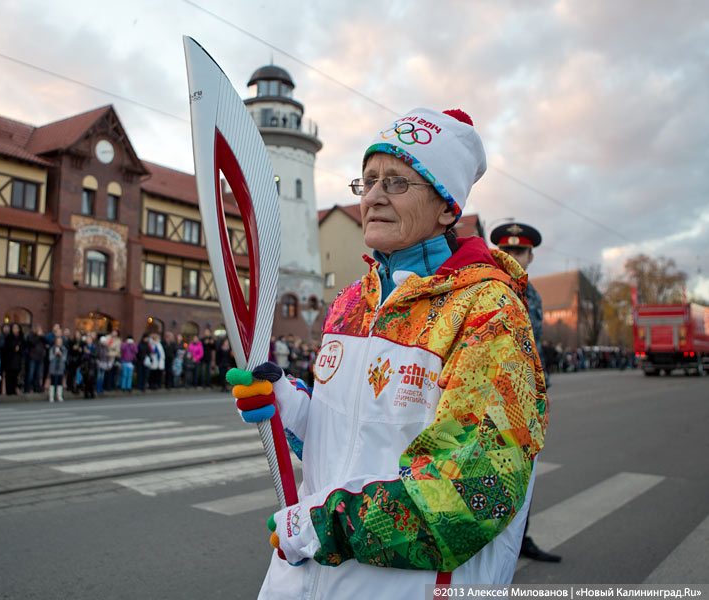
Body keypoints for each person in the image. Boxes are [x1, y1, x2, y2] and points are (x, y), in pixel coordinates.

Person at [227, 108, 548, 597]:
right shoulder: (352, 302)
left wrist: (326, 527)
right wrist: (287, 406)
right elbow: (345, 438)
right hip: (302, 580)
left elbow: (470, 495)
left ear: (446, 208)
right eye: (368, 181)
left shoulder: (487, 313)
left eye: (396, 182)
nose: (373, 196)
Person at [491, 221, 561, 563]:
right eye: (509, 250)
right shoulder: (487, 286)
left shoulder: (532, 294)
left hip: (527, 398)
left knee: (525, 473)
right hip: (491, 397)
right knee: (489, 475)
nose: (515, 256)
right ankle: (489, 548)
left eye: (520, 251)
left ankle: (521, 539)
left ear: (531, 256)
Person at [2, 323, 24, 396]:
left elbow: (24, 347)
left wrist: (19, 348)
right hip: (9, 359)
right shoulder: (9, 337)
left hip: (17, 359)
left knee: (15, 375)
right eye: (14, 328)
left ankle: (14, 389)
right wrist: (13, 348)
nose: (15, 330)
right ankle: (9, 390)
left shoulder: (21, 338)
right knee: (9, 375)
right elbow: (6, 348)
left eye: (17, 328)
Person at [24, 326, 46, 393]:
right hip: (32, 357)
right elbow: (32, 343)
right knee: (31, 374)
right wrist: (38, 336)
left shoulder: (41, 337)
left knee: (38, 375)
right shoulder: (31, 335)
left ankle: (36, 389)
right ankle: (27, 389)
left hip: (40, 357)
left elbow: (45, 342)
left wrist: (42, 336)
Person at [47, 335, 67, 403]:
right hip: (53, 367)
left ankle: (59, 396)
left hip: (60, 368)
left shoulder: (64, 349)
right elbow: (50, 358)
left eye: (60, 341)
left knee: (59, 382)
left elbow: (64, 359)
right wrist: (55, 354)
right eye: (58, 341)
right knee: (52, 382)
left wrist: (60, 354)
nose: (59, 342)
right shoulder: (52, 349)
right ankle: (51, 396)